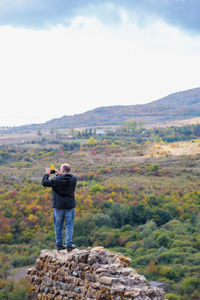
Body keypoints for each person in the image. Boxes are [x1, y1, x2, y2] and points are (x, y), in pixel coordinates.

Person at [42, 163, 77, 251]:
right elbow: (64, 179)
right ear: (69, 170)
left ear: (62, 170)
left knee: (58, 226)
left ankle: (59, 245)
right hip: (70, 206)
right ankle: (69, 245)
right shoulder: (74, 179)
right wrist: (59, 174)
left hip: (58, 206)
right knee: (69, 226)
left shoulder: (57, 180)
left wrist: (47, 173)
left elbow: (44, 183)